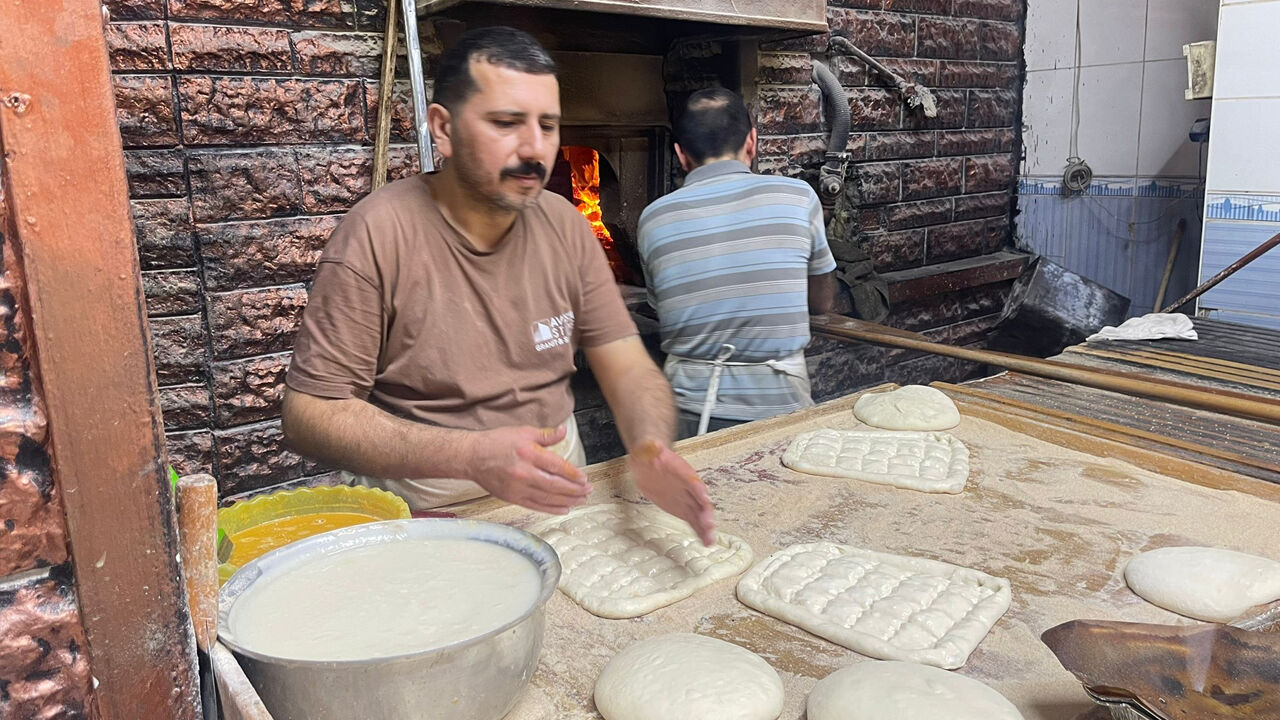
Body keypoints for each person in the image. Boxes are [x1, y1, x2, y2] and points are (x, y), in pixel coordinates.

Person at [281, 26, 714, 544]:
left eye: (548, 126)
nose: (535, 149)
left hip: (561, 500)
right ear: (442, 129)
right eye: (507, 123)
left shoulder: (567, 225)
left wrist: (649, 447)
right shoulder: (378, 234)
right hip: (428, 514)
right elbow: (309, 414)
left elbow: (626, 361)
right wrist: (469, 455)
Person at [638, 88, 838, 439]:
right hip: (780, 409)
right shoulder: (799, 197)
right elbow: (821, 302)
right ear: (752, 143)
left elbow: (664, 310)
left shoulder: (653, 218)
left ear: (681, 156)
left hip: (688, 414)